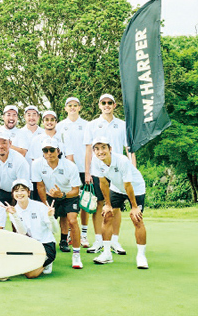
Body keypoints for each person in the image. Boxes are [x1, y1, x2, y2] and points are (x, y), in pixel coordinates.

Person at [83, 93, 134, 255]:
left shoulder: (123, 125)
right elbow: (88, 150)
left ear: (114, 105)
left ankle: (114, 241)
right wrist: (87, 172)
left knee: (116, 207)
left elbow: (129, 148)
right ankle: (99, 240)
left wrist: (133, 168)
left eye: (109, 103)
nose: (106, 105)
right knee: (99, 205)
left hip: (118, 171)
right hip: (98, 171)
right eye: (103, 103)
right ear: (99, 105)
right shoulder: (92, 125)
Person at [90, 137, 148, 268]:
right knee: (107, 215)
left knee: (136, 218)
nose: (100, 152)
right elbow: (103, 182)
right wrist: (107, 204)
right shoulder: (96, 161)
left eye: (103, 148)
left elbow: (128, 185)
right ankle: (106, 253)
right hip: (116, 188)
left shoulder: (122, 160)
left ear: (110, 149)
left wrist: (134, 207)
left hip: (135, 188)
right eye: (97, 149)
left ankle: (141, 255)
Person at [32, 137, 83, 269]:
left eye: (52, 150)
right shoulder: (37, 164)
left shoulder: (70, 166)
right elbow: (40, 186)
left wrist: (62, 195)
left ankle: (76, 255)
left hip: (69, 195)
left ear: (58, 151)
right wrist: (45, 205)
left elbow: (76, 190)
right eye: (45, 150)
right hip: (50, 196)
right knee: (45, 222)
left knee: (72, 221)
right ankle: (45, 253)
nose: (49, 153)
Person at [5, 179, 58, 277]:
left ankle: (47, 262)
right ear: (13, 194)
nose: (19, 193)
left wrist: (51, 217)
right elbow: (22, 232)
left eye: (22, 190)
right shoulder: (13, 210)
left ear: (28, 192)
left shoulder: (40, 206)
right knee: (16, 267)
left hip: (46, 245)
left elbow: (55, 230)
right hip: (29, 246)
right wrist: (15, 215)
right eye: (16, 191)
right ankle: (38, 263)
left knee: (30, 274)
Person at [56, 96, 89, 247]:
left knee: (84, 202)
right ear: (65, 108)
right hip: (67, 171)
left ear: (79, 107)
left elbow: (89, 148)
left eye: (75, 105)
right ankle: (69, 234)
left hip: (84, 169)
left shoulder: (87, 125)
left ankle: (84, 235)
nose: (73, 108)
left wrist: (88, 171)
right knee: (69, 202)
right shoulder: (60, 126)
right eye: (70, 105)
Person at [0, 130, 30, 206]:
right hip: (0, 190)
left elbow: (24, 184)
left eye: (4, 143)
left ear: (10, 143)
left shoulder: (20, 160)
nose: (0, 146)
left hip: (19, 190)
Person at [27, 110, 66, 198]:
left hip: (60, 177)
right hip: (41, 179)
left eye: (52, 120)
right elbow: (34, 160)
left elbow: (68, 157)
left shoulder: (63, 137)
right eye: (47, 120)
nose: (49, 122)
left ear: (56, 122)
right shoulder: (36, 139)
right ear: (43, 122)